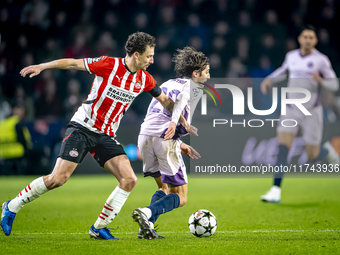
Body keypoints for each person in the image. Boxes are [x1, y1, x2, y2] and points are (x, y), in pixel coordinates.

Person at [1, 32, 194, 240]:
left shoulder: (144, 79)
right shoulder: (108, 65)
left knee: (129, 179)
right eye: (149, 56)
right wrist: (43, 66)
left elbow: (165, 100)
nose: (152, 60)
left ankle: (99, 227)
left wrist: (182, 121)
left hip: (105, 135)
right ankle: (11, 206)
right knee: (58, 179)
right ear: (136, 55)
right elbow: (73, 64)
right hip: (82, 127)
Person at [131, 46, 210, 239]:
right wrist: (174, 124)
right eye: (206, 72)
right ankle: (147, 213)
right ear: (195, 73)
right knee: (181, 197)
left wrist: (180, 144)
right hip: (165, 137)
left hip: (145, 136)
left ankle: (146, 227)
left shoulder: (168, 82)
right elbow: (182, 100)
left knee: (162, 189)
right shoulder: (194, 88)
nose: (208, 77)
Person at [259, 25, 339, 203]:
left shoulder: (321, 60)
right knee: (283, 146)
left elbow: (335, 85)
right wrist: (269, 79)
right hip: (291, 108)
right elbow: (283, 70)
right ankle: (275, 190)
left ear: (315, 41)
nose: (308, 40)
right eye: (305, 37)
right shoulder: (291, 56)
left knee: (311, 155)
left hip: (312, 110)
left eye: (311, 37)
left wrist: (322, 81)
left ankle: (325, 151)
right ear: (300, 39)